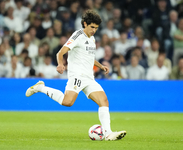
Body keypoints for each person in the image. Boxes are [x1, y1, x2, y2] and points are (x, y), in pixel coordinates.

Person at [25, 10, 126, 141]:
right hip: (77, 76)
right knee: (67, 102)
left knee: (104, 101)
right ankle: (40, 88)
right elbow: (60, 53)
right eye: (92, 27)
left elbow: (88, 57)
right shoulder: (78, 35)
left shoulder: (92, 38)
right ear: (85, 24)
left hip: (89, 78)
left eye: (96, 28)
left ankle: (108, 134)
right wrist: (60, 64)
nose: (94, 30)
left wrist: (100, 66)